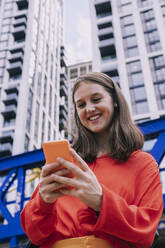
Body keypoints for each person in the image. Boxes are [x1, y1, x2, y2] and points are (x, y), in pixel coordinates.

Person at [21, 72, 163, 248]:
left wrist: (101, 201)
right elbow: (34, 234)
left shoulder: (143, 163)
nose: (89, 109)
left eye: (96, 99)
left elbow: (146, 231)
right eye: (81, 104)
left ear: (115, 101)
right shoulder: (64, 162)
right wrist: (43, 202)